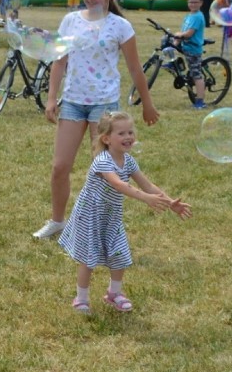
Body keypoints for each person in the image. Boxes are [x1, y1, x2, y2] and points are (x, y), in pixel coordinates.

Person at [33, 0, 160, 239]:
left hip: (104, 107)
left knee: (104, 172)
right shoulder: (70, 21)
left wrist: (147, 104)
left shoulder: (120, 26)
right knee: (59, 167)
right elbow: (59, 61)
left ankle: (101, 229)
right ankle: (57, 222)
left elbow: (135, 68)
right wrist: (52, 97)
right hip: (73, 103)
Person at [57, 111, 191, 314]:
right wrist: (145, 199)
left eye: (130, 132)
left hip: (111, 217)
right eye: (121, 133)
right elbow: (118, 184)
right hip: (90, 217)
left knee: (119, 255)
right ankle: (81, 299)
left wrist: (170, 202)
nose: (128, 137)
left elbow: (147, 184)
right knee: (88, 260)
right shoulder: (102, 160)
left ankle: (114, 294)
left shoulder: (128, 161)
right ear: (106, 139)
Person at [172, 0, 208, 109]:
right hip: (186, 47)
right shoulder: (189, 16)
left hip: (193, 49)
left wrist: (179, 36)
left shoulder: (198, 16)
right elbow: (183, 31)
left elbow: (188, 34)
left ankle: (200, 101)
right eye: (190, 2)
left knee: (196, 74)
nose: (192, 4)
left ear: (201, 3)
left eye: (195, 2)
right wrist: (176, 41)